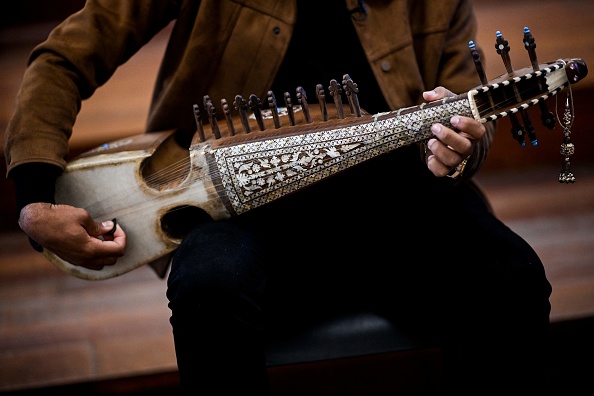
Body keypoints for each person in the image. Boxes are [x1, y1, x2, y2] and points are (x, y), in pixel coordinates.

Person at [4, 0, 553, 394]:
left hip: (396, 206)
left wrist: (459, 150)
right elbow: (64, 56)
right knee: (207, 286)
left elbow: (466, 119)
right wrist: (34, 196)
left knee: (513, 277)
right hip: (239, 212)